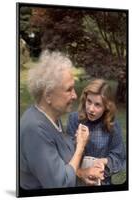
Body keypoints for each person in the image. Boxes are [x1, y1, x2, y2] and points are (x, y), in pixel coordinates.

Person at [20, 51, 104, 189]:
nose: (75, 95)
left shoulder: (52, 118)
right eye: (69, 89)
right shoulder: (34, 129)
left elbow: (58, 163)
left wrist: (80, 173)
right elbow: (60, 184)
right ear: (48, 95)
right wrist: (80, 147)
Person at [67, 79, 126, 185]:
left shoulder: (112, 125)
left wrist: (104, 162)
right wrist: (77, 142)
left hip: (101, 181)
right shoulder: (74, 119)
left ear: (106, 107)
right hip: (76, 178)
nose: (91, 109)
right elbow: (65, 155)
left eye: (97, 105)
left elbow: (119, 157)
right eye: (89, 101)